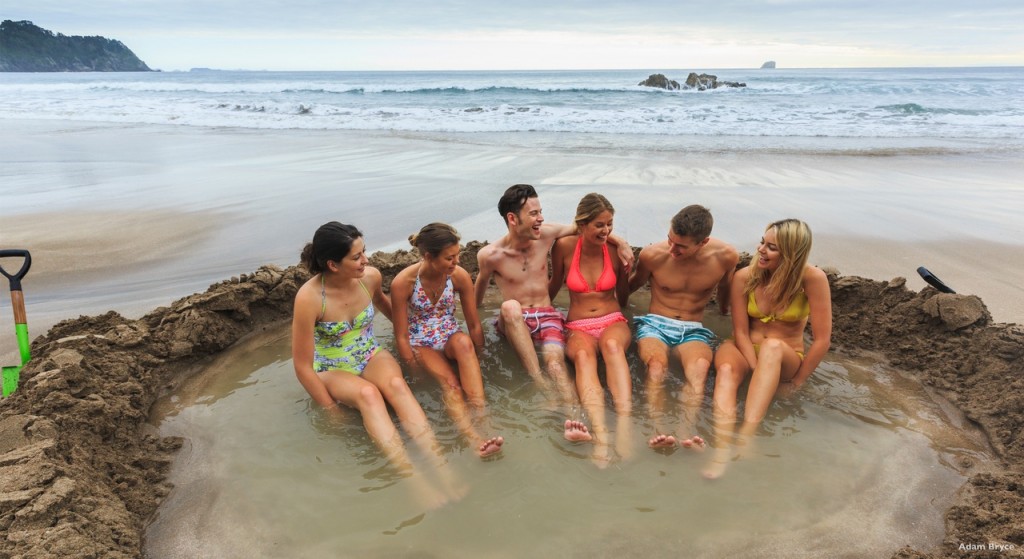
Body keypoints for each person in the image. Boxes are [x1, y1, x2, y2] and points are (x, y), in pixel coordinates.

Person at [291, 221, 462, 508]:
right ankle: (414, 480)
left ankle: (443, 469)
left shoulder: (369, 278)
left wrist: (413, 338)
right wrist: (330, 409)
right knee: (369, 395)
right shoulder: (309, 299)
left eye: (364, 252)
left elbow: (387, 307)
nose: (366, 260)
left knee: (397, 386)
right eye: (356, 257)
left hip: (369, 352)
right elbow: (302, 366)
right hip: (333, 366)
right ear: (333, 264)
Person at [474, 184, 633, 443]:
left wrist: (621, 242)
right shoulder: (490, 255)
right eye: (535, 213)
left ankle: (575, 418)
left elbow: (588, 226)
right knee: (510, 307)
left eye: (541, 212)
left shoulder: (547, 235)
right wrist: (473, 322)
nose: (541, 218)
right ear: (513, 219)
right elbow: (478, 292)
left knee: (557, 366)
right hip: (514, 319)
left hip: (547, 317)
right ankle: (542, 386)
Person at [704, 218, 832, 479]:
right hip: (745, 347)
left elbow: (821, 340)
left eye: (771, 247)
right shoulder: (745, 276)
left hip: (785, 355)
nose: (761, 250)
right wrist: (754, 367)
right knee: (727, 369)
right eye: (762, 242)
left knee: (773, 347)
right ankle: (720, 448)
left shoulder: (812, 279)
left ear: (792, 253)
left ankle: (745, 438)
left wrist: (796, 382)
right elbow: (740, 330)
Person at [627, 205, 738, 452]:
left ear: (703, 242)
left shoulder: (726, 257)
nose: (672, 249)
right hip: (656, 323)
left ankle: (685, 431)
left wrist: (723, 312)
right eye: (670, 240)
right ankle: (658, 430)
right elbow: (632, 285)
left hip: (693, 328)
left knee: (699, 371)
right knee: (656, 367)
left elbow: (726, 288)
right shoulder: (652, 255)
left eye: (681, 246)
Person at [391, 223, 504, 459]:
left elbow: (473, 324)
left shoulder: (458, 277)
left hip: (450, 333)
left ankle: (484, 421)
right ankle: (473, 438)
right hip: (420, 341)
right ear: (428, 256)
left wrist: (480, 355)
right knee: (451, 384)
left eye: (457, 255)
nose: (456, 262)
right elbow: (401, 335)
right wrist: (413, 368)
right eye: (449, 258)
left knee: (464, 344)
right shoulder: (404, 283)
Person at [549, 193, 633, 466]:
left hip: (612, 320)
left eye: (610, 224)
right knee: (584, 359)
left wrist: (627, 269)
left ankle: (623, 429)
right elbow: (552, 286)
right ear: (582, 224)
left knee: (612, 347)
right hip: (578, 324)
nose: (606, 230)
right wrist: (539, 314)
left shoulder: (614, 250)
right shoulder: (563, 247)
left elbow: (623, 294)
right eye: (599, 224)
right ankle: (600, 436)